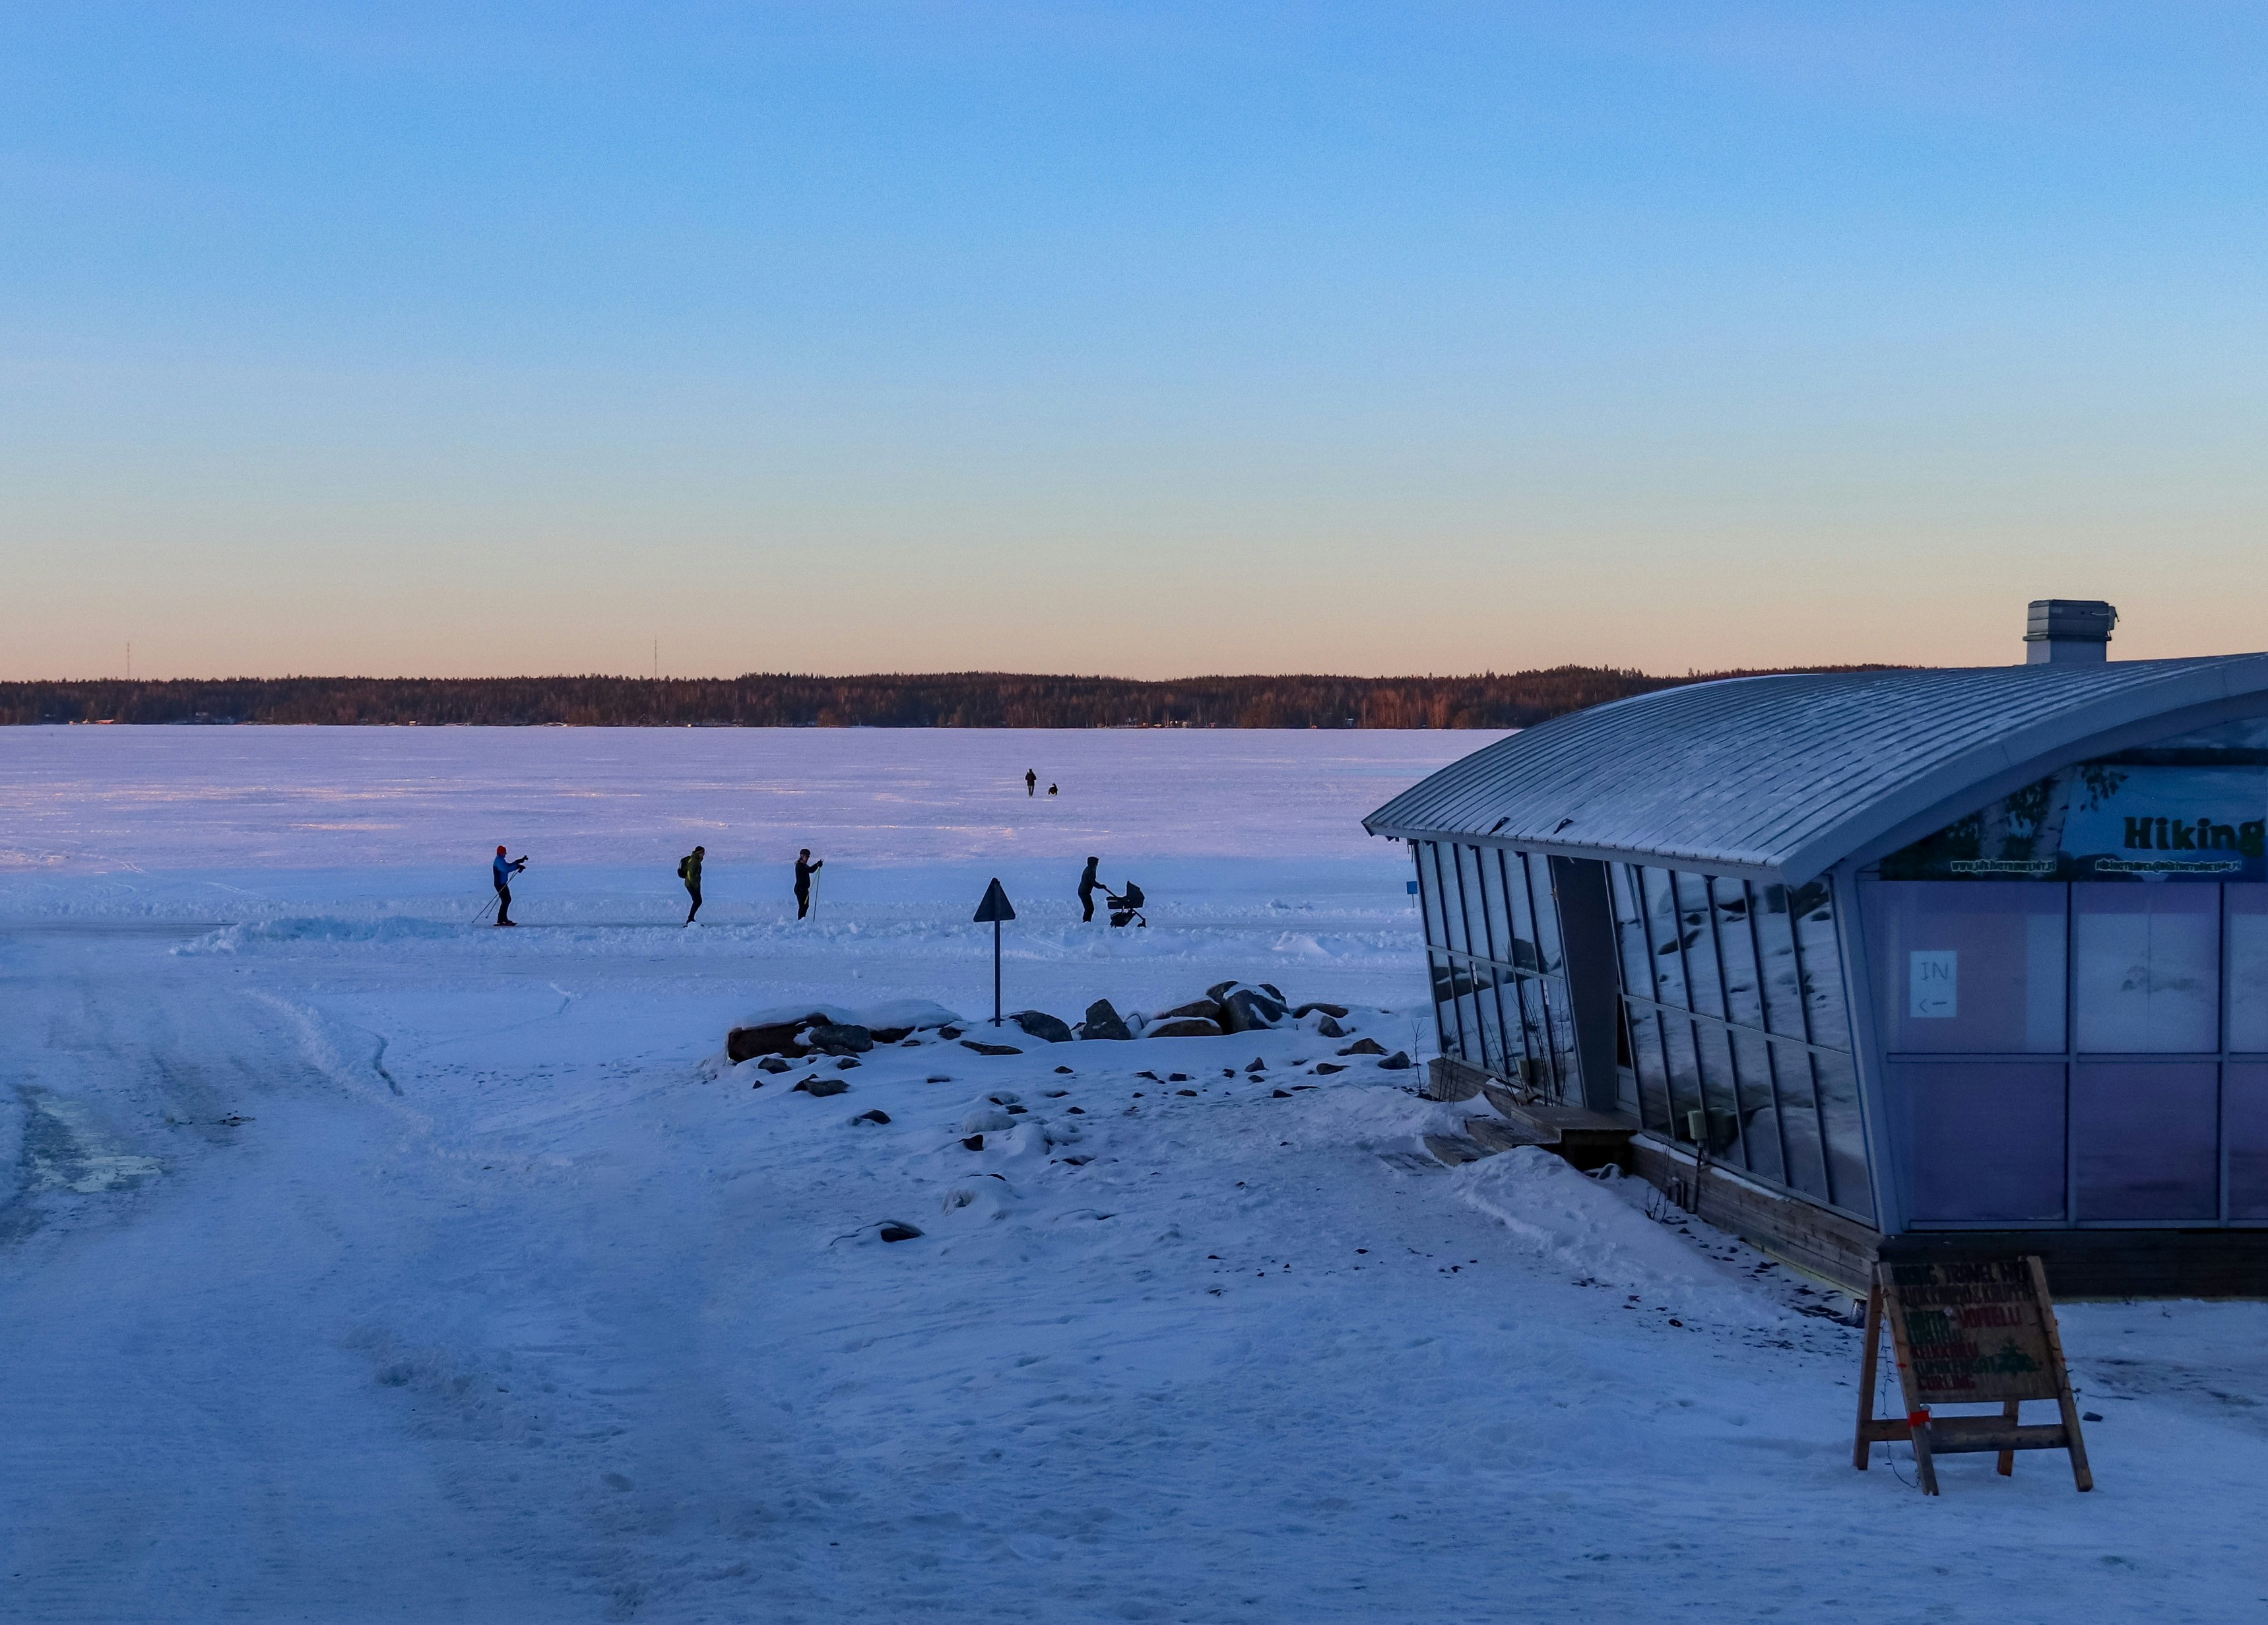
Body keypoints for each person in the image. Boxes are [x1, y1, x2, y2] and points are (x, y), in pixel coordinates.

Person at [492, 845, 526, 927]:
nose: (506, 854)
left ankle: (503, 919)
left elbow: (508, 866)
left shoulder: (501, 860)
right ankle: (501, 920)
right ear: (501, 853)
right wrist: (517, 866)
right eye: (505, 852)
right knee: (506, 900)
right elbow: (506, 869)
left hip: (502, 883)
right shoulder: (499, 861)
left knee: (507, 900)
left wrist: (518, 861)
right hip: (500, 884)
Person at [794, 848, 824, 919]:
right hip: (800, 889)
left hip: (804, 889)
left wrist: (817, 865)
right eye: (806, 856)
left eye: (808, 857)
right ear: (802, 856)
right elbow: (810, 870)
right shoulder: (800, 866)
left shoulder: (804, 865)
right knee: (803, 906)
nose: (808, 858)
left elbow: (810, 870)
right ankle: (800, 920)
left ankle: (802, 919)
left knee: (806, 906)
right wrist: (817, 865)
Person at [678, 845, 705, 925]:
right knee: (698, 901)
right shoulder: (694, 861)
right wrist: (695, 886)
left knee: (697, 901)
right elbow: (691, 874)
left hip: (691, 884)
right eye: (703, 853)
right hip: (691, 884)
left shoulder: (695, 860)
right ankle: (690, 919)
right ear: (700, 853)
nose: (704, 855)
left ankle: (691, 919)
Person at [1078, 855, 1103, 923]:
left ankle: (1087, 921)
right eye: (1096, 863)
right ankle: (1086, 922)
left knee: (1089, 908)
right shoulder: (1090, 870)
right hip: (1084, 892)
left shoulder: (1089, 869)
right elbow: (1093, 882)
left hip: (1084, 891)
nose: (1097, 865)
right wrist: (1100, 886)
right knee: (1090, 908)